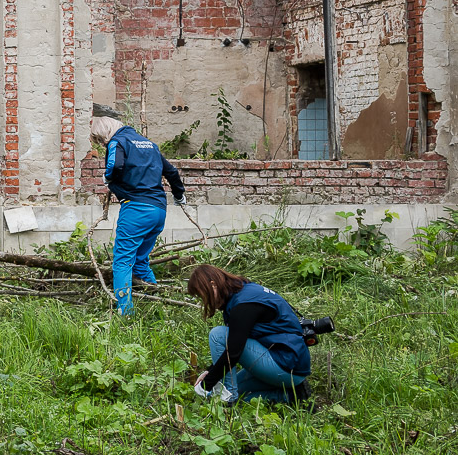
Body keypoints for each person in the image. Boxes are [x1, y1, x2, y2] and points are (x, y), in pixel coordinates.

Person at [90, 116, 185, 315]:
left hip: (136, 209)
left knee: (122, 261)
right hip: (159, 210)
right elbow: (172, 172)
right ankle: (157, 302)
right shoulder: (150, 145)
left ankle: (125, 312)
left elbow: (115, 166)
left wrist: (108, 179)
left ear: (106, 132)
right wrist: (179, 196)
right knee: (140, 259)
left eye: (101, 140)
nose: (102, 144)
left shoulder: (118, 141)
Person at [187, 264, 311, 405]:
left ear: (213, 285)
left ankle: (229, 400)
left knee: (218, 335)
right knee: (240, 394)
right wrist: (210, 373)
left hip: (286, 364)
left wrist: (206, 385)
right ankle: (291, 396)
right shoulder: (245, 291)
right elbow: (238, 338)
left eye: (202, 295)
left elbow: (233, 352)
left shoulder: (243, 305)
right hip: (289, 364)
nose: (204, 301)